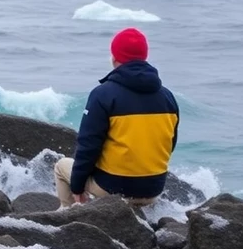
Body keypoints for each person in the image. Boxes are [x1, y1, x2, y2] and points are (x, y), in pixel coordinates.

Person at [53, 27, 179, 208]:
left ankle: (69, 216)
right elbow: (170, 143)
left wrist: (78, 186)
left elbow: (88, 146)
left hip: (113, 189)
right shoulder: (167, 97)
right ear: (144, 57)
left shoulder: (103, 94)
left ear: (114, 58)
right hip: (153, 189)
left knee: (61, 166)